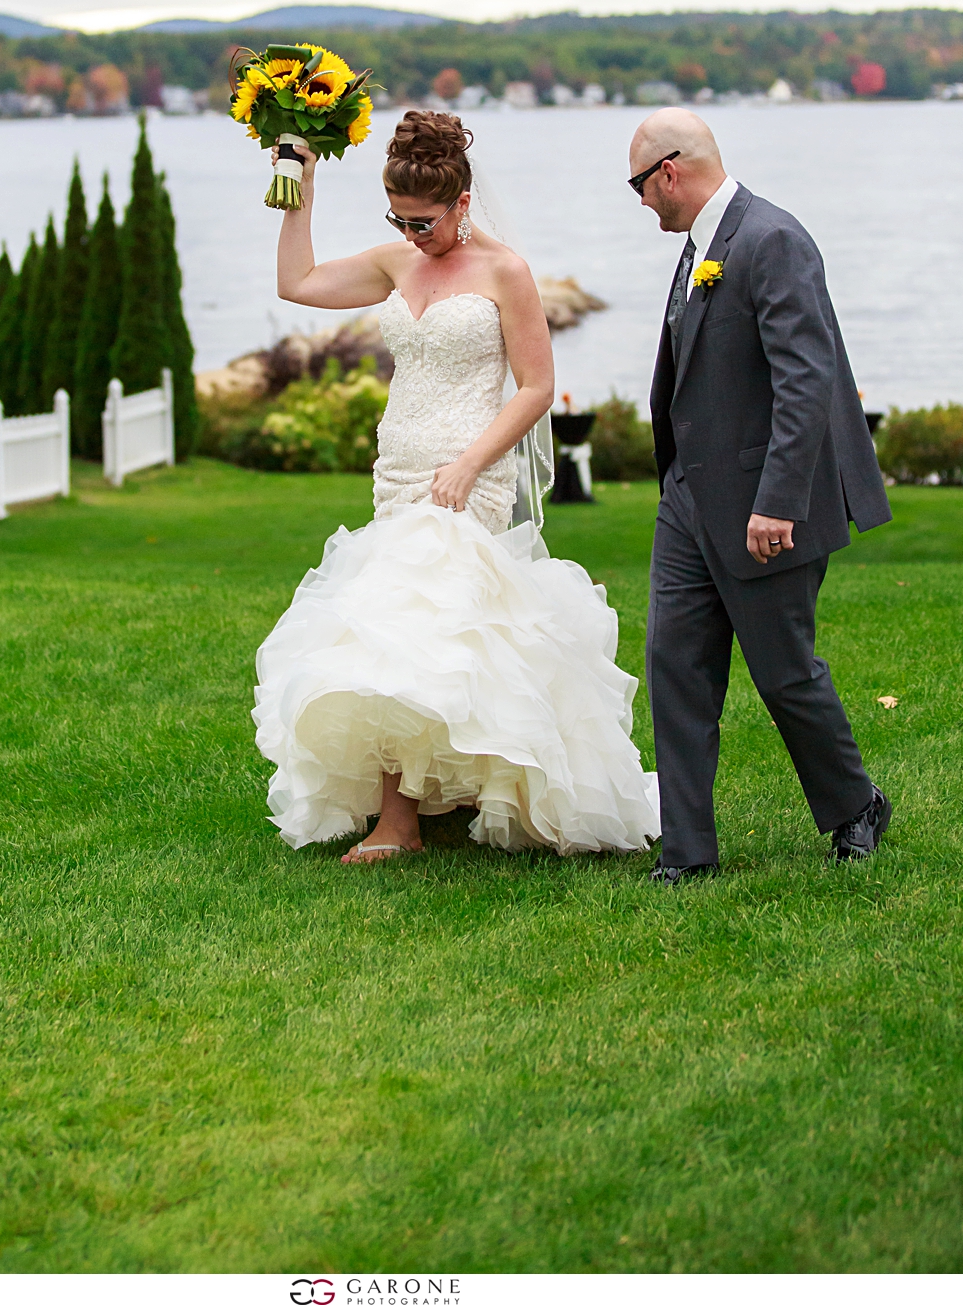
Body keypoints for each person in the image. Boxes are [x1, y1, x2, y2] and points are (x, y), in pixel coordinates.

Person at [253, 111, 659, 862]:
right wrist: (300, 182)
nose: (413, 235)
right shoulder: (396, 262)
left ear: (463, 203)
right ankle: (427, 797)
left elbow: (537, 386)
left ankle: (400, 821)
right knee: (388, 629)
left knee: (425, 624)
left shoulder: (505, 271)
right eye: (399, 219)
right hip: (398, 472)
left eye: (426, 222)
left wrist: (471, 462)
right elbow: (296, 282)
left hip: (466, 473)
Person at [630, 108, 893, 885]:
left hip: (763, 502)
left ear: (670, 171)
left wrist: (777, 500)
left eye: (640, 185)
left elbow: (806, 378)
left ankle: (856, 805)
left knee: (784, 671)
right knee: (675, 666)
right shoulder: (698, 248)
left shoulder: (773, 238)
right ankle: (688, 850)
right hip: (688, 496)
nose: (641, 201)